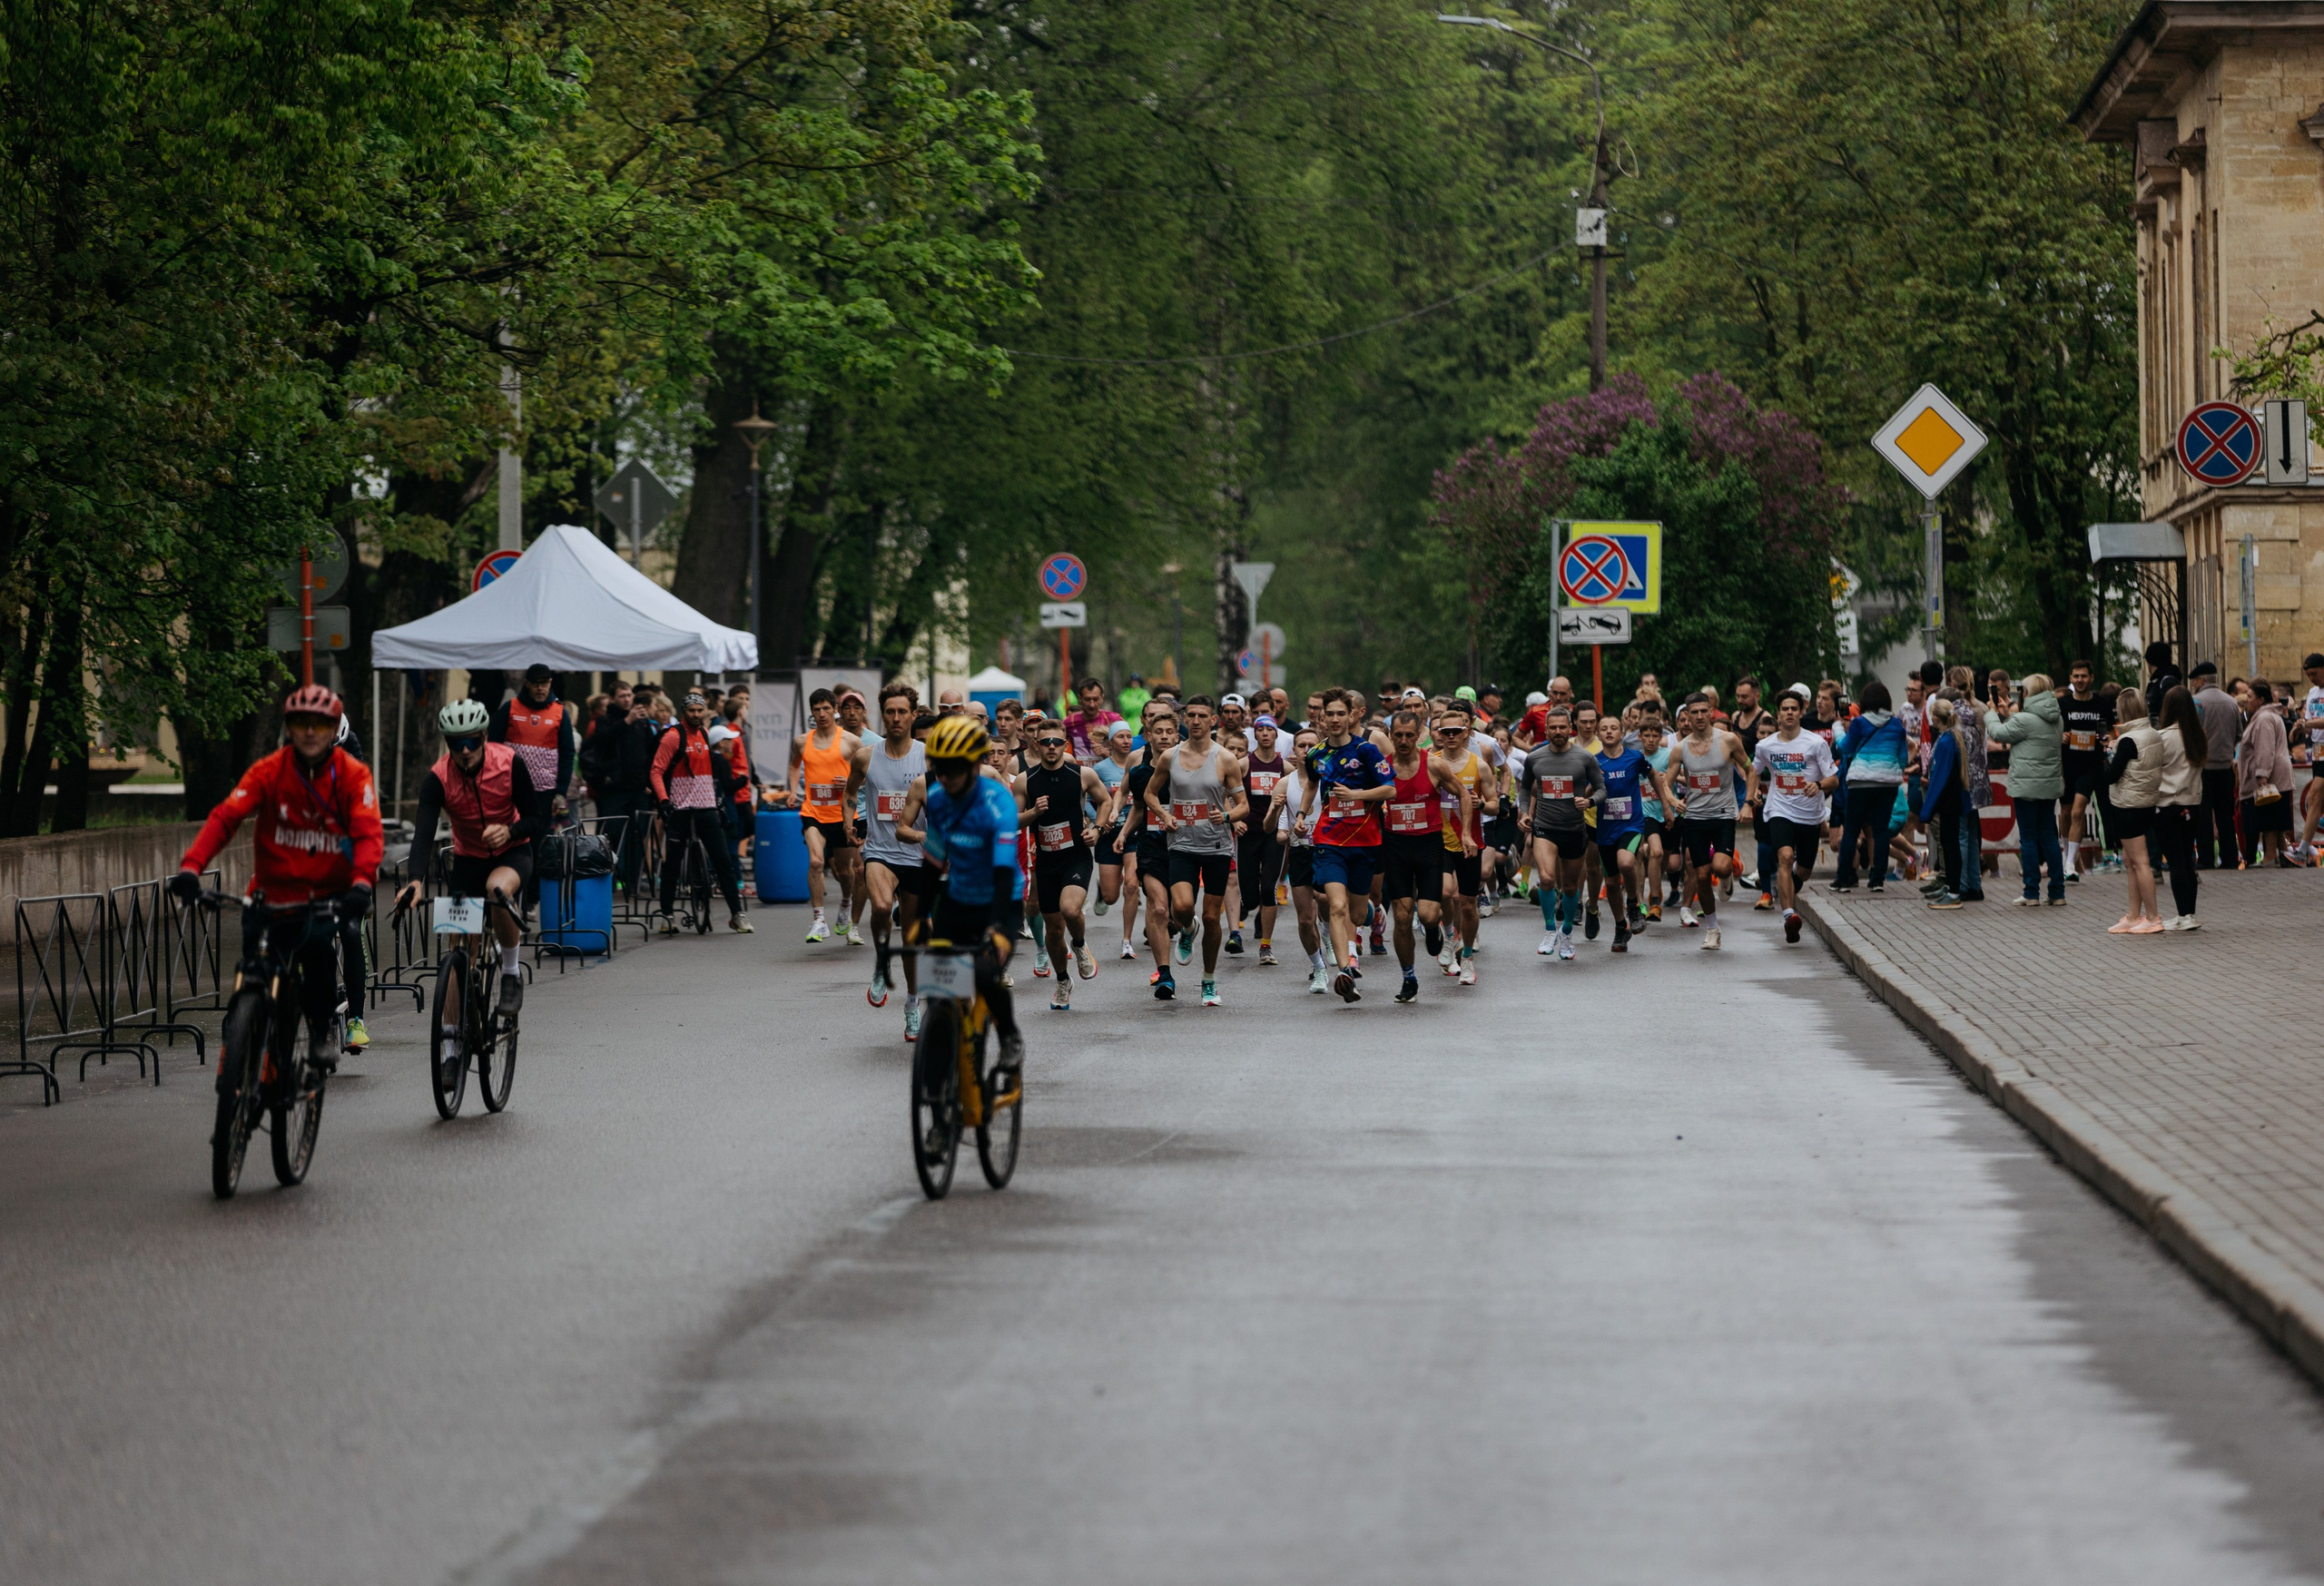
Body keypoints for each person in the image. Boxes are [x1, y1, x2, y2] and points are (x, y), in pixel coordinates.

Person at [171, 686, 383, 1071]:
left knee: (320, 951)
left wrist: (362, 883)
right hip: (272, 894)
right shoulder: (269, 771)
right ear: (288, 728)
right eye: (301, 724)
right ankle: (246, 1027)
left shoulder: (353, 776)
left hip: (323, 896)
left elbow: (369, 835)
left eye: (320, 725)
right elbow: (225, 818)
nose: (309, 733)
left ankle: (321, 1029)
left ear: (334, 729)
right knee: (254, 964)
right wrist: (191, 867)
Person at [395, 696, 550, 1030]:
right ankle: (450, 1044)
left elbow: (537, 818)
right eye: (455, 743)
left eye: (471, 741)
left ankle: (510, 973)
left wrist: (509, 831)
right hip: (467, 861)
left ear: (483, 738)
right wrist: (415, 880)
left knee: (497, 890)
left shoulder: (509, 763)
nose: (464, 750)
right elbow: (422, 835)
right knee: (458, 956)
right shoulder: (438, 777)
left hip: (512, 853)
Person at [910, 714, 1024, 1075]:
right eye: (939, 768)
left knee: (985, 971)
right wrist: (920, 917)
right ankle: (940, 1082)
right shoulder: (938, 799)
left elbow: (1004, 870)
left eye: (955, 768)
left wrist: (995, 927)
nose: (946, 776)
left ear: (975, 765)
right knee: (939, 984)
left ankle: (1009, 1036)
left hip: (1000, 902)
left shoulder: (997, 804)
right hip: (958, 900)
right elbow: (932, 863)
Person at [1146, 695, 1246, 1008]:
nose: (1197, 721)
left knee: (1211, 917)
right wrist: (1165, 816)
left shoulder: (1225, 758)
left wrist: (1227, 816)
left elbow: (1244, 806)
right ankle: (1187, 930)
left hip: (1216, 846)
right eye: (1191, 715)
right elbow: (1149, 793)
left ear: (1213, 720)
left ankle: (1208, 980)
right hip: (1182, 844)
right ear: (1184, 720)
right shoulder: (1170, 757)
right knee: (1183, 906)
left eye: (1203, 715)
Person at [1299, 687, 1393, 1001]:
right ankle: (1345, 971)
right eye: (1331, 714)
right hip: (1329, 840)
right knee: (1335, 906)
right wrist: (1301, 813)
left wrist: (1357, 796)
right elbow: (1312, 784)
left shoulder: (1366, 751)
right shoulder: (1316, 755)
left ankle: (1370, 911)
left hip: (1365, 841)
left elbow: (1389, 790)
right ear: (1322, 718)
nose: (1336, 719)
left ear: (1351, 716)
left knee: (1356, 911)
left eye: (1342, 713)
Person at [850, 683, 929, 1036]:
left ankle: (912, 1002)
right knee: (881, 907)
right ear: (881, 715)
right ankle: (882, 964)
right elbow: (849, 792)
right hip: (879, 851)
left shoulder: (929, 757)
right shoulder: (866, 756)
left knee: (912, 940)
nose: (895, 718)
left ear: (913, 715)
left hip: (917, 855)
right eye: (890, 712)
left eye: (902, 712)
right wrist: (847, 821)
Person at [1016, 718, 1111, 1010]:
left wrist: (1096, 828)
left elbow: (1105, 802)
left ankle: (1080, 946)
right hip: (1046, 860)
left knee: (1071, 909)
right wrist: (1033, 812)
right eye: (1046, 742)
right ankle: (1062, 981)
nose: (1052, 747)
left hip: (1077, 855)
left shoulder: (1082, 774)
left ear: (1065, 744)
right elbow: (1011, 821)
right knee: (1054, 931)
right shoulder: (1025, 780)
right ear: (1036, 745)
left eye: (1057, 742)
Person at [1378, 709, 1472, 1000]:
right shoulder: (1382, 768)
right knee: (1403, 917)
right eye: (1398, 735)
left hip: (1430, 845)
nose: (1404, 741)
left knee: (1429, 913)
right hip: (1396, 846)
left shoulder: (1433, 765)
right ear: (1391, 736)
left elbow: (1463, 794)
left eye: (1409, 735)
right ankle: (1408, 978)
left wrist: (1466, 833)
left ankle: (1434, 929)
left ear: (1419, 735)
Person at [652, 690, 751, 934]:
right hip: (680, 808)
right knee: (672, 863)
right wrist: (664, 801)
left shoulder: (706, 734)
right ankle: (667, 915)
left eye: (699, 710)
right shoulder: (673, 737)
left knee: (723, 862)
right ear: (684, 712)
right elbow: (656, 771)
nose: (696, 714)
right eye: (692, 711)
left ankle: (737, 914)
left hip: (706, 806)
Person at [1515, 704, 1604, 961]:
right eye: (1552, 727)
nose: (1557, 731)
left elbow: (1601, 789)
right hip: (1545, 827)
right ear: (1545, 730)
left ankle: (1566, 933)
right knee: (1546, 878)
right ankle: (1549, 929)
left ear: (1570, 728)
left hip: (1574, 829)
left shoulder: (1585, 758)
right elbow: (1524, 789)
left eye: (1562, 727)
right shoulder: (1535, 757)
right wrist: (1524, 813)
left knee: (1571, 886)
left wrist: (1589, 802)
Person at [1669, 693, 1756, 951]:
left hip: (1723, 815)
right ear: (1686, 716)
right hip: (1695, 817)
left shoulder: (1728, 740)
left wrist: (1748, 803)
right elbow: (1665, 781)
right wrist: (1672, 801)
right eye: (1692, 713)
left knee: (1720, 867)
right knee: (1702, 875)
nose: (1698, 717)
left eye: (1703, 712)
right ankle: (1713, 928)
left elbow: (1750, 770)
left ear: (1711, 712)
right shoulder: (1680, 748)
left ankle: (1727, 874)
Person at [1751, 691, 1837, 943]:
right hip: (1780, 809)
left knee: (1806, 870)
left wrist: (1819, 785)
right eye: (1785, 709)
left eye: (1794, 709)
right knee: (1785, 856)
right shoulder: (1766, 746)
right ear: (1777, 714)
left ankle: (1790, 883)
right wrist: (1750, 797)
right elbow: (1753, 771)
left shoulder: (1815, 743)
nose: (1789, 712)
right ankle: (1789, 916)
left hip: (1810, 815)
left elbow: (1834, 778)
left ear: (1800, 712)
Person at [786, 688, 862, 944]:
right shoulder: (801, 741)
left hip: (843, 815)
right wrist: (792, 790)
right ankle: (818, 920)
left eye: (826, 709)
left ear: (835, 710)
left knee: (845, 870)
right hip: (813, 813)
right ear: (812, 712)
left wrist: (851, 783)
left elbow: (868, 773)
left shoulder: (850, 741)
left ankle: (846, 903)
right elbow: (794, 764)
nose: (821, 714)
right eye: (816, 710)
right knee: (817, 862)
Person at [1984, 672, 2065, 904]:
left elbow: (1999, 734)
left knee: (2028, 838)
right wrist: (2009, 714)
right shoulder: (2056, 719)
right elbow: (2027, 729)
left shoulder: (2025, 719)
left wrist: (1992, 714)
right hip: (2049, 785)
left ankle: (2031, 892)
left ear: (2028, 693)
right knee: (2049, 837)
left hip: (2026, 786)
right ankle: (2057, 892)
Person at [1830, 681, 1908, 892]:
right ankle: (1877, 879)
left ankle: (1843, 878)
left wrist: (1838, 727)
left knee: (1851, 831)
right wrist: (1892, 770)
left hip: (1861, 783)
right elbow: (1903, 757)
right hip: (1888, 784)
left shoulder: (1859, 723)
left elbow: (1845, 748)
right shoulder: (1897, 724)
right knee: (1880, 831)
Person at [2102, 689, 2167, 932]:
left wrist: (2107, 755)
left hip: (2128, 803)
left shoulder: (2129, 741)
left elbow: (2111, 775)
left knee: (2139, 862)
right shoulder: (2152, 734)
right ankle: (2133, 914)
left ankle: (2152, 917)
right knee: (2130, 861)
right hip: (2147, 801)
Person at [1237, 714, 1290, 965]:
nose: (1266, 734)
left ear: (1276, 734)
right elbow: (1223, 792)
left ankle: (1266, 946)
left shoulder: (1285, 768)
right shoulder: (1243, 764)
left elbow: (1301, 795)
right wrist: (1234, 818)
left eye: (1270, 730)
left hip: (1273, 835)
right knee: (1250, 898)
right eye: (1261, 730)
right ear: (1255, 735)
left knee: (1269, 889)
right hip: (1248, 832)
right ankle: (1246, 902)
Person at [2152, 685, 2206, 930]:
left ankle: (2183, 914)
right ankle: (2190, 913)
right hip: (2192, 803)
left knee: (2175, 862)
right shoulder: (2197, 736)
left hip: (2168, 804)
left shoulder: (2164, 737)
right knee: (2187, 859)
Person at [2058, 661, 2112, 882]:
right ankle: (2066, 856)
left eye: (2084, 676)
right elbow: (2053, 729)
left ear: (2091, 678)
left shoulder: (2101, 703)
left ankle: (2071, 863)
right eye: (2076, 676)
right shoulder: (2062, 704)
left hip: (2091, 765)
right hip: (2067, 764)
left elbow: (2111, 729)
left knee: (2078, 812)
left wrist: (2107, 739)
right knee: (2065, 812)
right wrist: (2060, 736)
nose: (2080, 680)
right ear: (2070, 679)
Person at [2188, 662, 2241, 868]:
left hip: (2203, 768)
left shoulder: (2196, 702)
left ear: (2201, 680)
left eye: (2194, 681)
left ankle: (2206, 859)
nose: (2193, 685)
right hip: (2225, 768)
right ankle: (2230, 859)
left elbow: (2191, 733)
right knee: (2225, 816)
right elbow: (2239, 734)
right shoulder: (2231, 702)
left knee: (2203, 816)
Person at [2238, 677, 2296, 867]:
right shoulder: (2269, 716)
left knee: (2270, 820)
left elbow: (2264, 748)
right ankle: (2285, 855)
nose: (2247, 700)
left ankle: (2270, 857)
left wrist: (2262, 775)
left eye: (2250, 696)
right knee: (2277, 822)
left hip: (2271, 777)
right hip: (2278, 773)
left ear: (2261, 700)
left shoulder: (2263, 719)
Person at [1920, 698, 1969, 908]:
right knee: (1949, 845)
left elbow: (1940, 776)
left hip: (1948, 800)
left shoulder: (1947, 742)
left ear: (1937, 718)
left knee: (1950, 846)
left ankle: (1954, 891)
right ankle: (1950, 886)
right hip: (1951, 799)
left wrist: (1928, 809)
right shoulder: (1950, 737)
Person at [1065, 677, 1123, 764]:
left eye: (1096, 699)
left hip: (1106, 775)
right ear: (1080, 698)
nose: (1092, 704)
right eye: (1087, 699)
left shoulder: (1114, 720)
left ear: (1102, 698)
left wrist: (1108, 754)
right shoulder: (1070, 722)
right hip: (1081, 775)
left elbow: (1127, 750)